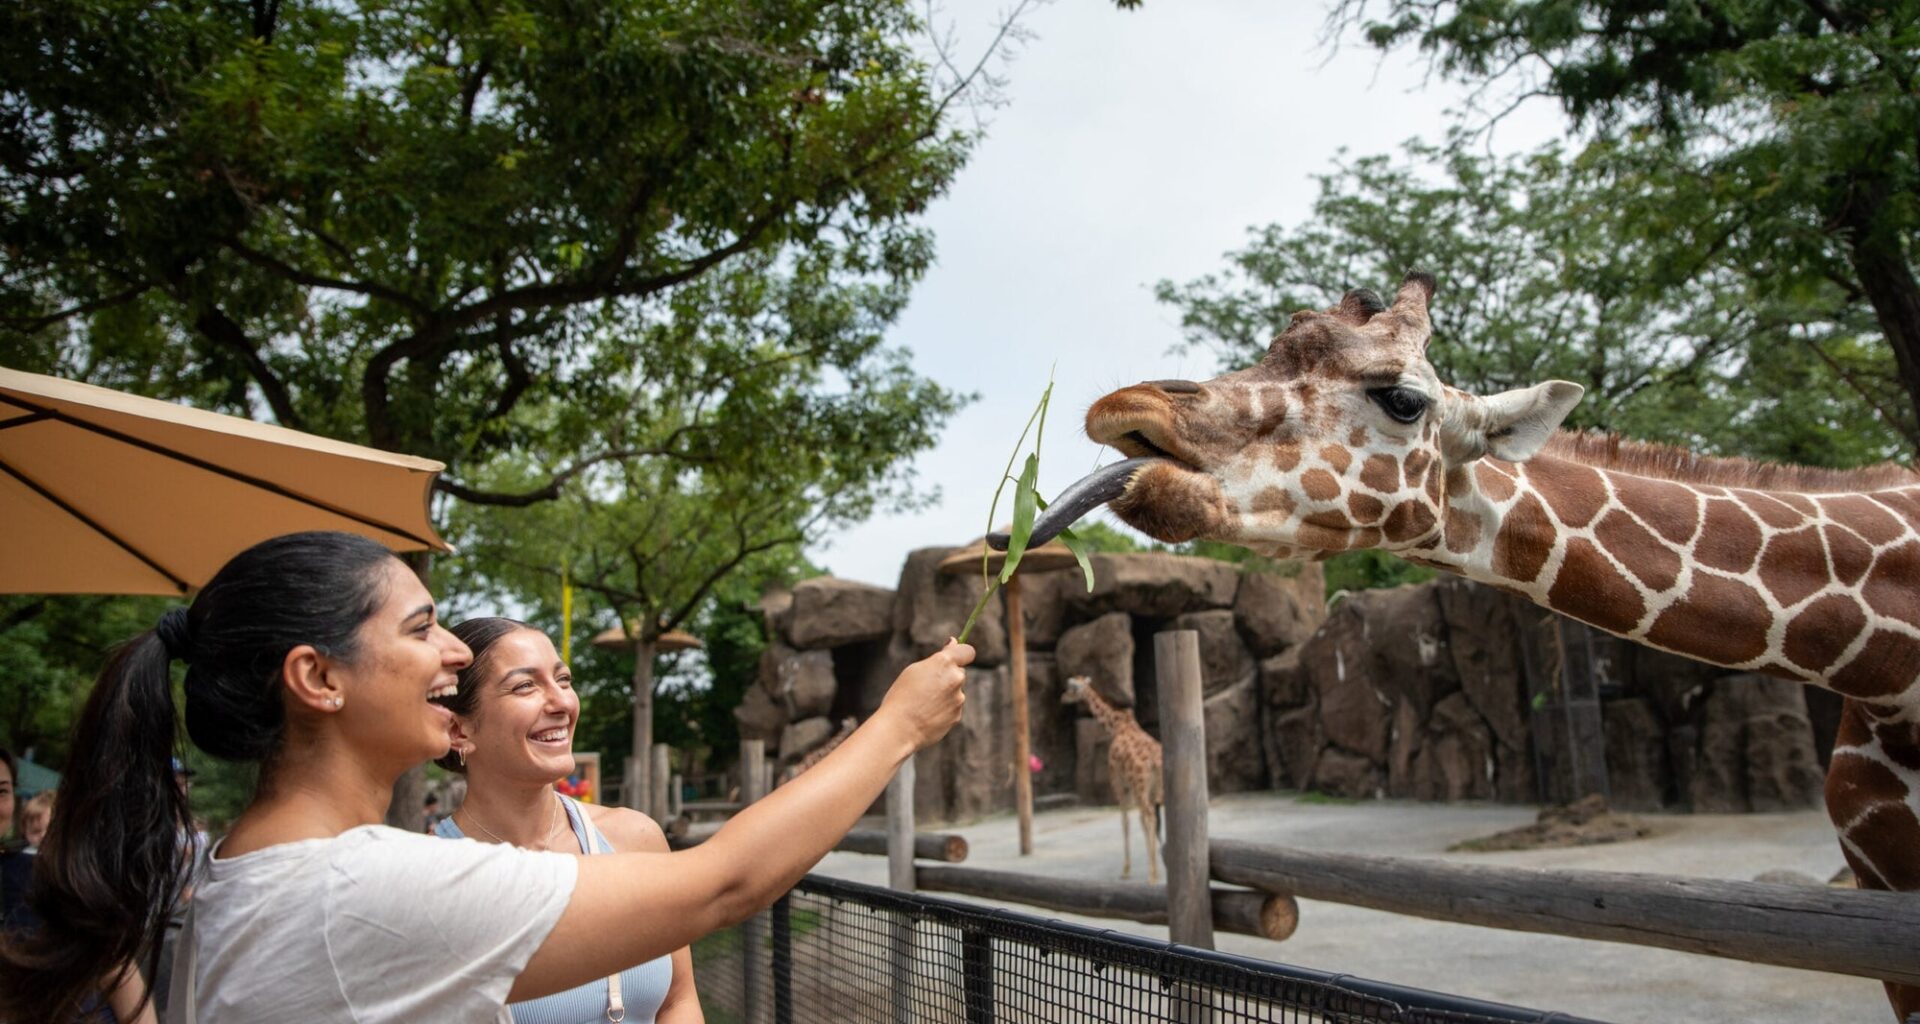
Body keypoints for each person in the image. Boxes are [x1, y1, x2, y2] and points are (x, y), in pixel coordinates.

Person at [0, 531, 970, 1023]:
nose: (455, 655)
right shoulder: (355, 887)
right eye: (422, 629)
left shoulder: (239, 874)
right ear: (319, 678)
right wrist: (897, 724)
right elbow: (726, 883)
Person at [434, 618, 699, 1023]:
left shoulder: (634, 838)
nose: (562, 703)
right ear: (458, 729)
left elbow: (678, 999)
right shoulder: (431, 882)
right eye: (525, 686)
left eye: (563, 680)